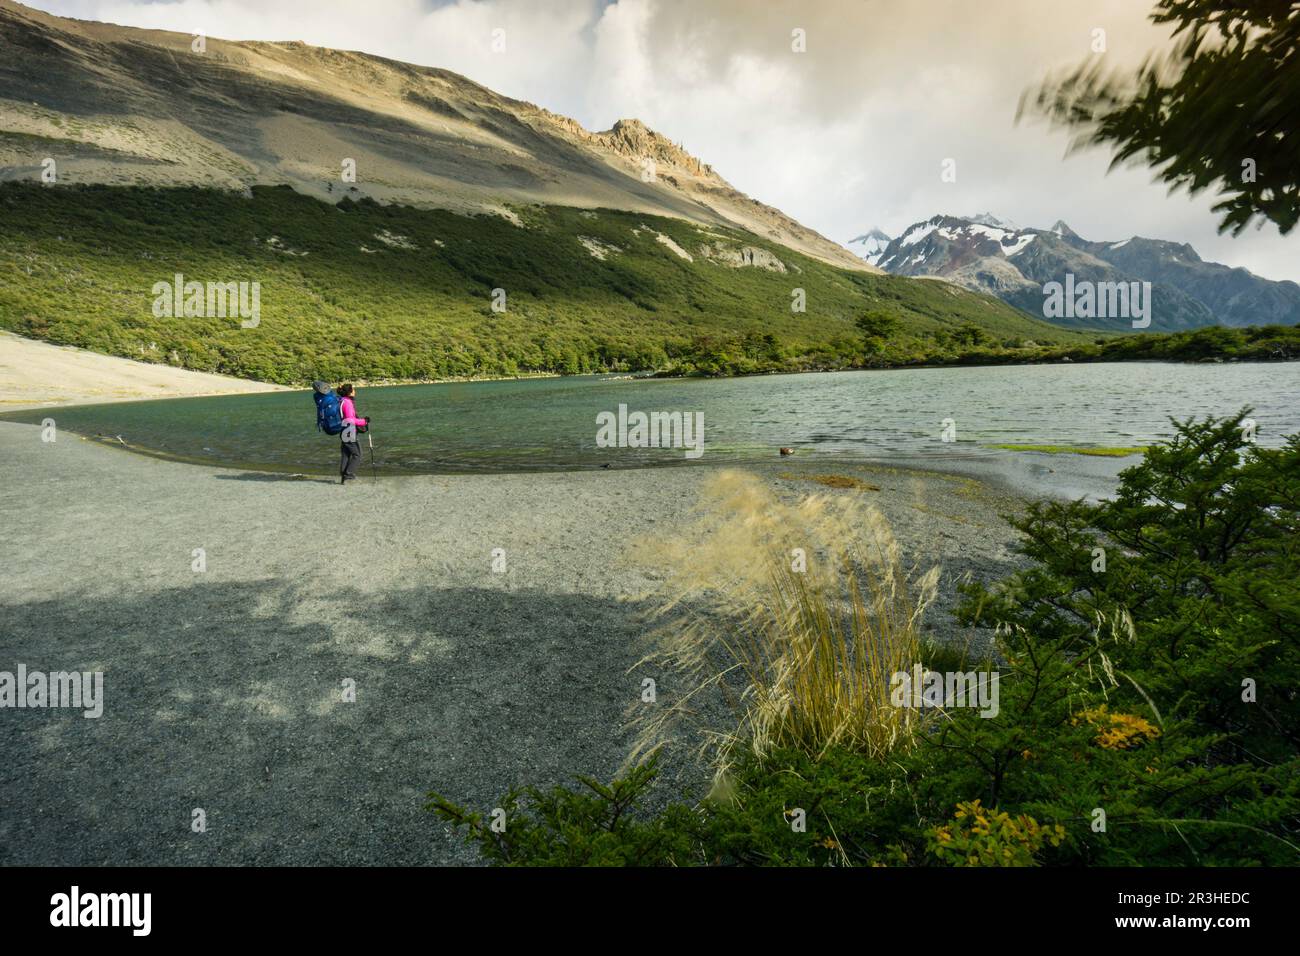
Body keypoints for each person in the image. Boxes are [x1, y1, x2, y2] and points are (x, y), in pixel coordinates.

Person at [337, 383, 369, 484]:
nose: (355, 391)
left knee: (346, 454)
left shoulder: (340, 401)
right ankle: (349, 476)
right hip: (349, 430)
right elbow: (350, 420)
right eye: (353, 389)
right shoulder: (347, 402)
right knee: (357, 454)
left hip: (343, 430)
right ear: (349, 392)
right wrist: (364, 421)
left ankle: (344, 476)